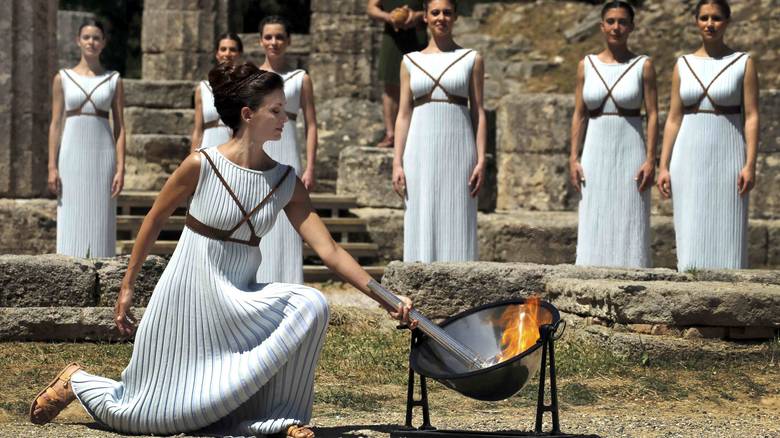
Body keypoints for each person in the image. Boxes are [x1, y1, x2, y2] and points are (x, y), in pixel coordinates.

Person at [29, 62, 415, 438]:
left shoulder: (286, 181)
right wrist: (127, 287)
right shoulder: (202, 164)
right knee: (146, 417)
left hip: (239, 299)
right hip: (187, 299)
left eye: (285, 109)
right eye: (276, 110)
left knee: (312, 304)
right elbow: (153, 221)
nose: (285, 118)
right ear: (248, 114)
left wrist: (387, 298)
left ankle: (281, 419)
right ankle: (78, 381)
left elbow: (330, 251)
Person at [657, 0, 759, 270]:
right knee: (690, 228)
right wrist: (663, 165)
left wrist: (750, 163)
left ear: (727, 21)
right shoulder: (683, 64)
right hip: (687, 156)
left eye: (716, 18)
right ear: (696, 22)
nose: (710, 24)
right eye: (704, 18)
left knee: (728, 227)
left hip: (729, 153)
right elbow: (673, 118)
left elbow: (751, 116)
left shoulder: (743, 63)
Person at [392, 0, 486, 262]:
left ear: (455, 16)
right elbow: (403, 114)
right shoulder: (410, 61)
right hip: (419, 147)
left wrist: (481, 159)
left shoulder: (471, 58)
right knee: (421, 212)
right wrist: (397, 161)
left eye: (447, 12)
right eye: (435, 12)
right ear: (425, 17)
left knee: (458, 213)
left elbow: (478, 112)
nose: (441, 17)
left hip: (459, 145)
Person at [569, 1, 658, 268]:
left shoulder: (643, 65)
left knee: (630, 214)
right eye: (610, 21)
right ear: (601, 25)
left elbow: (653, 114)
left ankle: (632, 273)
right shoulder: (587, 65)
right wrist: (573, 157)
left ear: (631, 27)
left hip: (631, 148)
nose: (616, 27)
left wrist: (651, 159)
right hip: (595, 150)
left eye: (622, 22)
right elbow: (579, 114)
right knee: (594, 213)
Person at [48, 20, 125, 258]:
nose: (91, 42)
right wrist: (52, 166)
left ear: (103, 43)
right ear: (78, 41)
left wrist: (121, 168)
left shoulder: (114, 79)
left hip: (103, 157)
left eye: (96, 38)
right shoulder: (63, 78)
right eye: (86, 37)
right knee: (70, 216)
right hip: (71, 157)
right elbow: (56, 124)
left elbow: (120, 127)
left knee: (101, 218)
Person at [256, 16, 319, 284]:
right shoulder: (253, 78)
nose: (274, 42)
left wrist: (311, 166)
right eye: (269, 37)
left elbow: (312, 124)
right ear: (260, 41)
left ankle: (290, 284)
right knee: (260, 218)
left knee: (290, 222)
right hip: (260, 155)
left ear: (289, 41)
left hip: (289, 153)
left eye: (280, 37)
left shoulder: (300, 78)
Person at [367, 0, 427, 148]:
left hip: (417, 35)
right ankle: (391, 134)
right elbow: (371, 7)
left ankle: (416, 134)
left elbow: (437, 7)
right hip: (393, 37)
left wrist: (417, 16)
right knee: (390, 85)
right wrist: (389, 17)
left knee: (419, 86)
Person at [191, 33, 242, 151]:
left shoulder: (247, 87)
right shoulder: (203, 89)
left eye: (232, 50)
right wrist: (192, 158)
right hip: (207, 148)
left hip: (235, 151)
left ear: (239, 54)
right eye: (223, 49)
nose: (227, 54)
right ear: (217, 54)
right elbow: (198, 130)